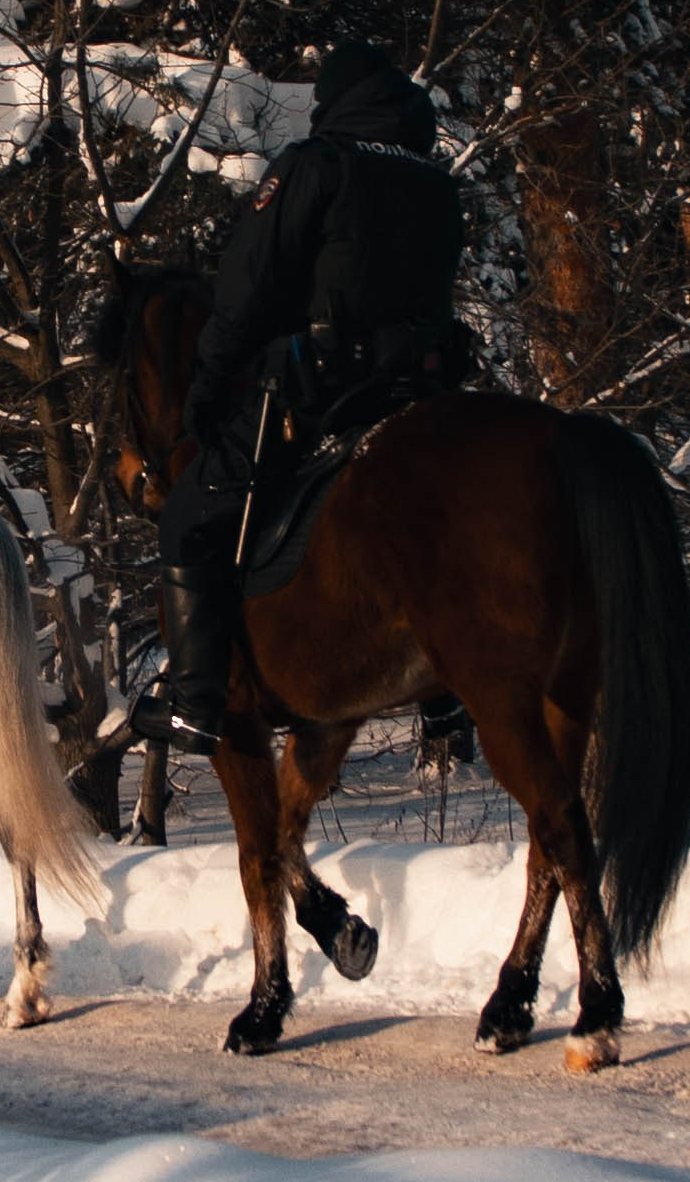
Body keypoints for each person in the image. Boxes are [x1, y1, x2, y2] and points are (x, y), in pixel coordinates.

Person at [132, 38, 467, 759]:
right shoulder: (436, 182)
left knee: (191, 515)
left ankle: (195, 698)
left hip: (328, 384)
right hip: (425, 387)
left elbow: (246, 292)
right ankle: (449, 692)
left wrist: (207, 390)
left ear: (336, 105)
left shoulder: (317, 166)